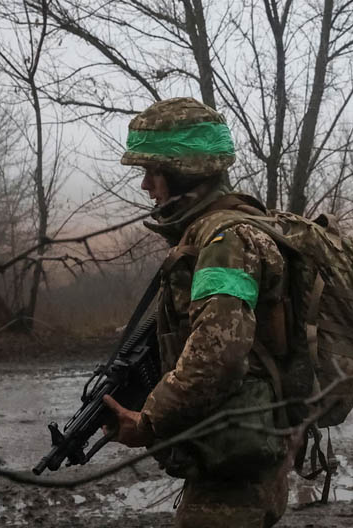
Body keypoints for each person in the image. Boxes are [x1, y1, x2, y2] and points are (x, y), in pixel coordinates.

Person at [103, 97, 290, 528]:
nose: (146, 185)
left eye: (152, 171)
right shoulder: (222, 229)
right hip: (234, 445)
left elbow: (218, 355)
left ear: (183, 169)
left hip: (237, 457)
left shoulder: (226, 241)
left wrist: (148, 421)